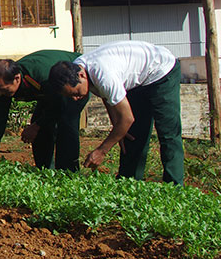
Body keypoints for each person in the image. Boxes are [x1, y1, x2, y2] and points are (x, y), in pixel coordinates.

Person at [48, 40, 184, 184]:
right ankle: (128, 183)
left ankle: (175, 188)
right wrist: (118, 129)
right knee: (131, 135)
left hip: (161, 70)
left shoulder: (104, 76)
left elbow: (127, 118)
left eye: (75, 92)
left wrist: (102, 151)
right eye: (71, 96)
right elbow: (107, 98)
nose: (75, 98)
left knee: (168, 133)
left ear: (81, 75)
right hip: (138, 79)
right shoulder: (78, 66)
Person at [0, 51, 88, 170]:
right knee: (39, 125)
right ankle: (45, 170)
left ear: (17, 78)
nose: (1, 93)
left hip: (73, 82)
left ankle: (69, 173)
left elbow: (58, 106)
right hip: (49, 93)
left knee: (66, 123)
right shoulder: (3, 84)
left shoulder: (40, 76)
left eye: (4, 90)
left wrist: (36, 126)